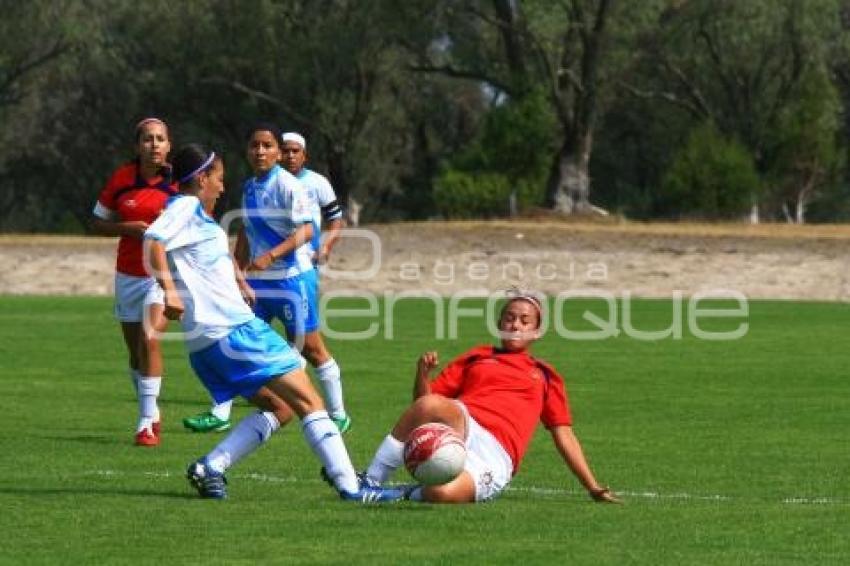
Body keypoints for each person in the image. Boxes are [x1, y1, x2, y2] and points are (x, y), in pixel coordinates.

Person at [143, 143, 405, 502]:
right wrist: (168, 290)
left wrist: (238, 281)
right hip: (234, 333)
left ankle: (211, 466)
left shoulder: (197, 218)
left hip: (207, 344)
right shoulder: (185, 206)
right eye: (218, 179)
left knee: (280, 408)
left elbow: (201, 261)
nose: (222, 187)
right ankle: (352, 488)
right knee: (310, 402)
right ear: (202, 178)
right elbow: (152, 239)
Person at [361, 292, 620, 504]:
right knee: (430, 404)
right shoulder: (477, 357)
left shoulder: (545, 375)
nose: (515, 325)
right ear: (499, 324)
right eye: (509, 318)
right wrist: (423, 374)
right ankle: (369, 482)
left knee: (441, 495)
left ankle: (404, 493)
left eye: (524, 320)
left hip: (496, 455)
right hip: (464, 424)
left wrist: (592, 486)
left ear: (537, 332)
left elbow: (563, 435)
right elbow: (422, 405)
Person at [184, 123, 352, 434]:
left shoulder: (291, 186)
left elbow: (307, 231)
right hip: (259, 283)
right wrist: (237, 266)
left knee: (312, 350)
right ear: (247, 151)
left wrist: (271, 256)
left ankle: (339, 414)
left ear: (276, 152)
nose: (260, 151)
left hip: (291, 280)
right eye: (254, 145)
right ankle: (220, 412)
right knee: (232, 339)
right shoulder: (249, 187)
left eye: (267, 145)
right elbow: (247, 229)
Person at [91, 117, 176, 447]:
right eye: (147, 139)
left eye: (160, 139)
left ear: (168, 145)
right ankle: (151, 409)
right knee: (135, 353)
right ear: (137, 145)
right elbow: (97, 222)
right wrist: (128, 229)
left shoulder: (178, 184)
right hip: (128, 275)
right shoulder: (122, 179)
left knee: (150, 339)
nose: (154, 144)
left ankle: (145, 424)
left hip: (162, 276)